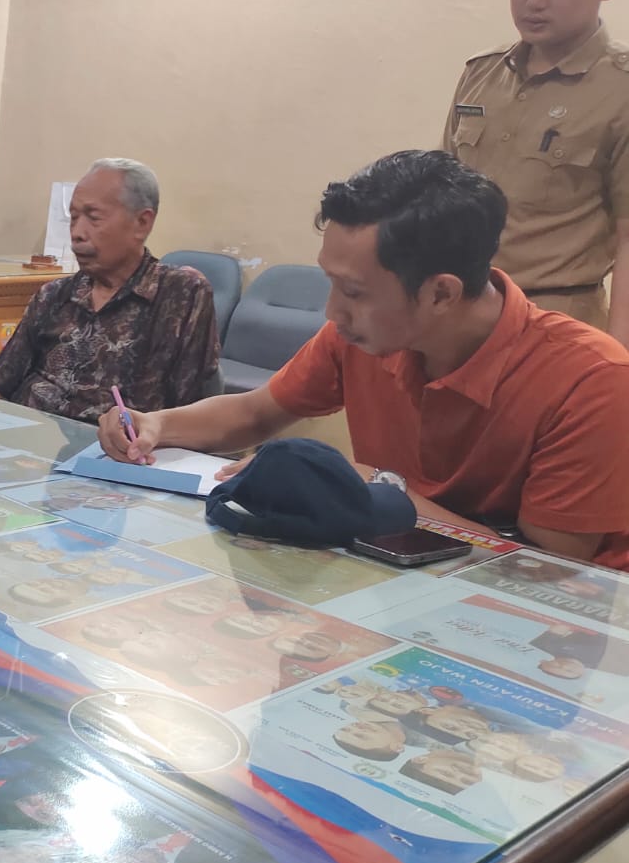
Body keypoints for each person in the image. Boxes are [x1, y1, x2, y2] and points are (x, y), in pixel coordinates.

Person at [96, 150, 629, 570]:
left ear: (440, 293)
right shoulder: (361, 337)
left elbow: (545, 569)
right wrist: (157, 424)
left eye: (353, 292)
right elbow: (255, 412)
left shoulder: (591, 380)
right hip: (396, 569)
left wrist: (373, 484)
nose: (332, 312)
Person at [442, 0, 629, 343]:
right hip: (457, 314)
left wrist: (619, 358)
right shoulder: (481, 74)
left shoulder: (620, 89)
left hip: (554, 326)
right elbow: (439, 200)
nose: (533, 1)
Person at [0, 159, 221, 419]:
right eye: (73, 218)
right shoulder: (53, 295)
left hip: (112, 442)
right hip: (29, 435)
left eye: (93, 218)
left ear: (142, 223)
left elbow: (192, 416)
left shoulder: (180, 296)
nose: (77, 233)